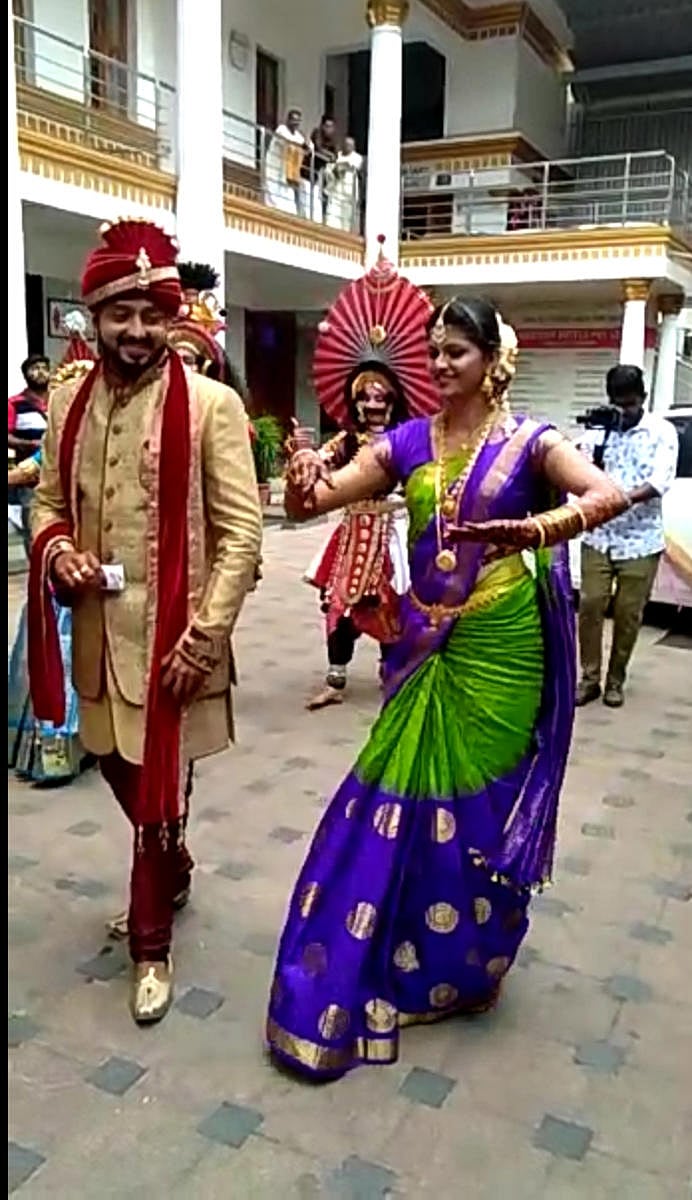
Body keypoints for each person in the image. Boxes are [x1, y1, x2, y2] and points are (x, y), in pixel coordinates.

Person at [265, 297, 627, 1080]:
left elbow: (607, 497)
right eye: (432, 353)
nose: (437, 366)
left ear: (493, 357)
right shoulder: (407, 441)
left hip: (503, 650)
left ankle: (470, 968)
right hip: (424, 646)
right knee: (398, 797)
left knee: (480, 808)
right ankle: (404, 955)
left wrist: (533, 531)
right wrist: (302, 481)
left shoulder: (534, 442)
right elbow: (319, 502)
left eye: (454, 352)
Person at [28, 218, 262, 1024]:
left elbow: (242, 534)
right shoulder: (67, 402)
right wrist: (58, 553)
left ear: (173, 318)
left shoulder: (210, 406)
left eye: (151, 314)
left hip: (177, 642)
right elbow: (50, 503)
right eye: (120, 313)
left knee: (159, 793)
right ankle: (176, 865)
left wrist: (207, 635)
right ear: (92, 315)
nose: (136, 330)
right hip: (99, 635)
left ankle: (152, 946)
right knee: (131, 783)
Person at [300, 240, 439, 710]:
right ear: (354, 401)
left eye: (381, 396)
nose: (373, 403)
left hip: (394, 532)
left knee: (391, 605)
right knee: (338, 607)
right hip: (354, 530)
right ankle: (335, 683)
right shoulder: (345, 441)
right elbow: (321, 461)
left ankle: (394, 676)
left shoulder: (410, 438)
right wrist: (306, 459)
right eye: (365, 397)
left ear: (394, 399)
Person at [8, 321, 97, 785]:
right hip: (53, 577)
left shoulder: (109, 448)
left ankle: (82, 747)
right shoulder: (51, 451)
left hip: (98, 578)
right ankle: (48, 752)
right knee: (49, 654)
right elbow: (26, 479)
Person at [574, 364, 679, 708]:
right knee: (589, 605)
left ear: (643, 398)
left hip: (640, 539)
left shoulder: (662, 432)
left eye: (630, 405)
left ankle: (615, 681)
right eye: (618, 405)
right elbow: (575, 467)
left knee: (628, 612)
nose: (625, 412)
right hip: (599, 536)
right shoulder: (599, 430)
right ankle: (589, 679)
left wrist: (619, 500)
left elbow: (660, 481)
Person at [8, 354, 50, 555]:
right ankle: (37, 575)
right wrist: (28, 444)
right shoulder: (14, 403)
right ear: (25, 374)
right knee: (33, 530)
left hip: (59, 478)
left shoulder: (61, 399)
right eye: (35, 368)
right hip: (29, 479)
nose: (40, 371)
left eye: (44, 367)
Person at [264, 109, 311, 217]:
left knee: (288, 198)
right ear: (288, 120)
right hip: (274, 167)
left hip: (287, 172)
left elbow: (309, 148)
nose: (296, 123)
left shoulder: (298, 135)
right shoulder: (281, 129)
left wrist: (307, 144)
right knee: (272, 193)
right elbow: (289, 140)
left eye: (298, 121)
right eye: (293, 120)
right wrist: (304, 144)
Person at [325, 137, 363, 232]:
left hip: (349, 194)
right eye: (346, 144)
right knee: (332, 218)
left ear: (353, 147)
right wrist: (337, 168)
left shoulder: (357, 157)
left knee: (346, 221)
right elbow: (329, 170)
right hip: (336, 191)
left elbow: (349, 166)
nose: (347, 147)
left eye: (350, 145)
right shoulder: (338, 156)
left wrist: (338, 166)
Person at [306, 115, 338, 223]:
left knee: (318, 197)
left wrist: (330, 156)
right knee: (307, 196)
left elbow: (335, 156)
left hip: (318, 173)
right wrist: (329, 155)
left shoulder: (332, 141)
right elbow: (318, 148)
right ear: (322, 126)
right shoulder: (317, 133)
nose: (329, 129)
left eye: (331, 127)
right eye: (327, 126)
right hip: (307, 169)